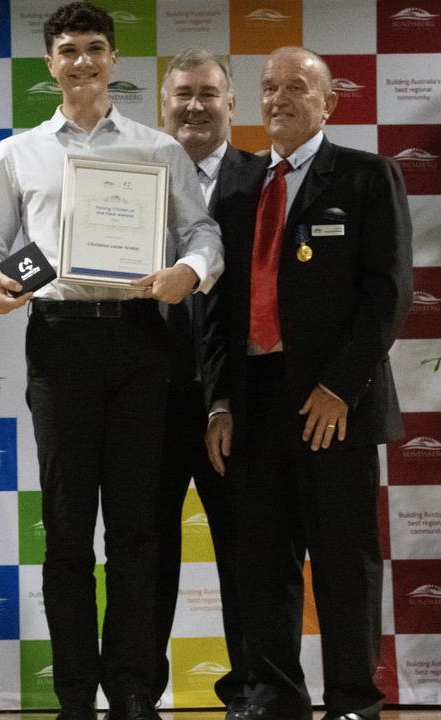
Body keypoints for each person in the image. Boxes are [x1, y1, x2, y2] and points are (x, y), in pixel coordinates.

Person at [0, 4, 223, 720]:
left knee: (139, 527)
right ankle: (76, 693)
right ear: (50, 64)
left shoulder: (157, 149)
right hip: (59, 342)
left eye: (95, 49)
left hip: (142, 341)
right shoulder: (18, 153)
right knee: (70, 530)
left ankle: (133, 688)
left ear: (115, 61)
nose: (82, 62)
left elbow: (205, 235)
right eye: (69, 50)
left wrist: (188, 275)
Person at [202, 47, 413, 720]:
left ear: (329, 103)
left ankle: (353, 701)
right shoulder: (235, 190)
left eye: (298, 87)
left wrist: (338, 388)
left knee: (345, 561)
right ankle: (275, 699)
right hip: (255, 401)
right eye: (269, 88)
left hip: (333, 406)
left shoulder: (365, 177)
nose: (280, 98)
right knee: (263, 563)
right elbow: (217, 308)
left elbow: (388, 297)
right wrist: (221, 400)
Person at [153, 48, 262, 711]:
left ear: (232, 104)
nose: (195, 105)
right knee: (146, 556)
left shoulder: (264, 177)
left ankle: (250, 688)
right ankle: (137, 691)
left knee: (248, 553)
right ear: (163, 105)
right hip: (153, 400)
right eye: (182, 94)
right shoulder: (135, 174)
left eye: (208, 94)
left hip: (240, 403)